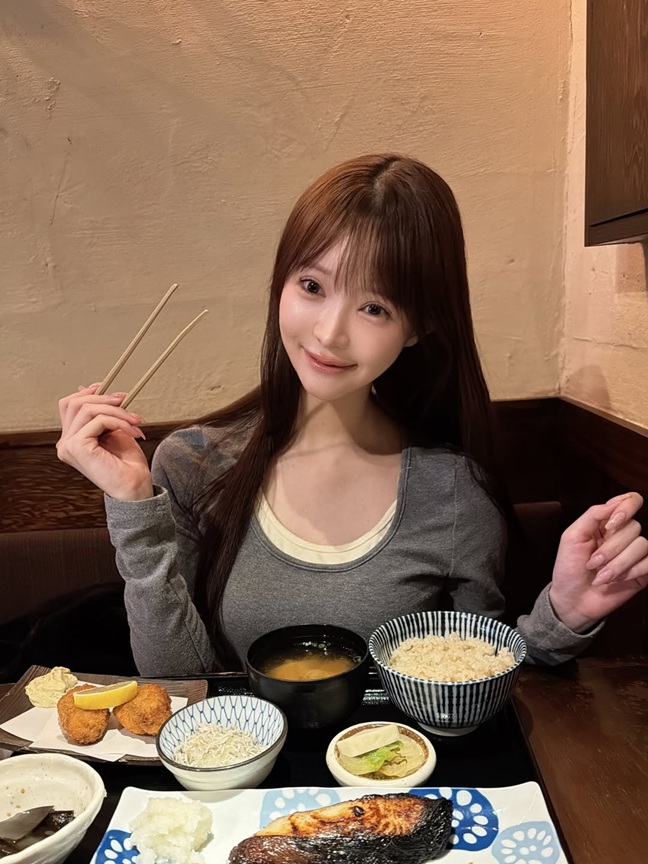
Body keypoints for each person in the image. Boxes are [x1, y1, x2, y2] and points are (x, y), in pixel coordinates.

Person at [56, 154, 648, 676]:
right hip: (241, 768)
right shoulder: (195, 463)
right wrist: (133, 505)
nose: (329, 333)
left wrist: (563, 616)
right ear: (281, 283)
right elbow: (180, 685)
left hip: (398, 769)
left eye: (374, 307)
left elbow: (474, 684)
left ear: (419, 326)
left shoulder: (453, 494)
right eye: (312, 286)